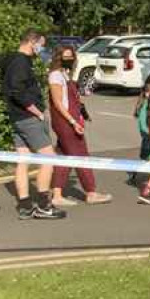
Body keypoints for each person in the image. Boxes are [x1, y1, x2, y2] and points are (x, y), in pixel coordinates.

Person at [0, 29, 66, 220]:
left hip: (16, 117)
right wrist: (37, 112)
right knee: (49, 159)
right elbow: (17, 91)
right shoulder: (20, 62)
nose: (42, 49)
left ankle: (25, 205)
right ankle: (44, 206)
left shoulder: (13, 60)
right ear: (32, 42)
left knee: (23, 159)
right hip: (28, 118)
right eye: (41, 45)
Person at [47, 45, 112, 207]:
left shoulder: (64, 74)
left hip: (70, 119)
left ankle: (57, 194)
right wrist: (73, 122)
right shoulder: (55, 75)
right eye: (66, 57)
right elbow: (58, 103)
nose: (70, 60)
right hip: (65, 121)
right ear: (58, 58)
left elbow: (72, 98)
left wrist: (82, 112)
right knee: (81, 155)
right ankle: (91, 192)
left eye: (71, 56)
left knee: (64, 156)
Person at [128, 81, 150, 186]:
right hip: (148, 137)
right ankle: (137, 174)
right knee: (148, 159)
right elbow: (142, 124)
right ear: (147, 94)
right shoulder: (145, 106)